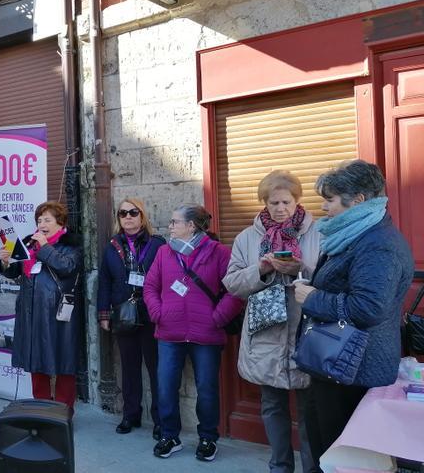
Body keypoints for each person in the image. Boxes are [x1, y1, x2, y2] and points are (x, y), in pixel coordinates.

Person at [294, 160, 413, 469]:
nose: (323, 207)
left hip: (352, 370)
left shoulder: (377, 244)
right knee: (329, 451)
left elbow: (369, 308)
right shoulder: (357, 234)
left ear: (358, 200)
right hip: (338, 363)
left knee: (342, 458)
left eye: (330, 199)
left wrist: (314, 298)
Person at [223, 171, 319, 473]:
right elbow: (232, 283)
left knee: (310, 411)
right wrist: (262, 269)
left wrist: (300, 269)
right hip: (266, 334)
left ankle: (312, 468)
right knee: (272, 405)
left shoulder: (319, 233)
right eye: (274, 202)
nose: (281, 208)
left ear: (297, 200)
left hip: (307, 331)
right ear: (265, 203)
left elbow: (333, 278)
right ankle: (279, 466)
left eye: (286, 202)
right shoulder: (247, 238)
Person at [143, 204, 244, 462]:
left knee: (207, 389)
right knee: (165, 387)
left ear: (192, 226)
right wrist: (158, 314)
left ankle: (208, 438)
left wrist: (217, 317)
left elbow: (236, 290)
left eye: (176, 222)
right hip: (169, 333)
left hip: (206, 335)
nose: (171, 226)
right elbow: (150, 287)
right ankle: (170, 436)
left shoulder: (219, 252)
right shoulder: (165, 252)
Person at [0, 201, 83, 414]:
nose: (41, 224)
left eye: (47, 220)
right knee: (36, 361)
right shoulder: (27, 244)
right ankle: (42, 409)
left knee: (64, 361)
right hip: (31, 312)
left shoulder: (71, 244)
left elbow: (67, 267)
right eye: (39, 220)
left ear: (59, 223)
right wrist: (6, 261)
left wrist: (45, 247)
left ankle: (63, 411)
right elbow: (14, 273)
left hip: (58, 313)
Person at [97, 198, 166, 437]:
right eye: (123, 213)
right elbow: (104, 282)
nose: (128, 217)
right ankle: (131, 415)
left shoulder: (158, 245)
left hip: (151, 314)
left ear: (142, 215)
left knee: (156, 369)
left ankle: (161, 420)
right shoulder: (112, 246)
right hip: (123, 313)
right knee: (128, 368)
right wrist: (104, 314)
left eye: (133, 212)